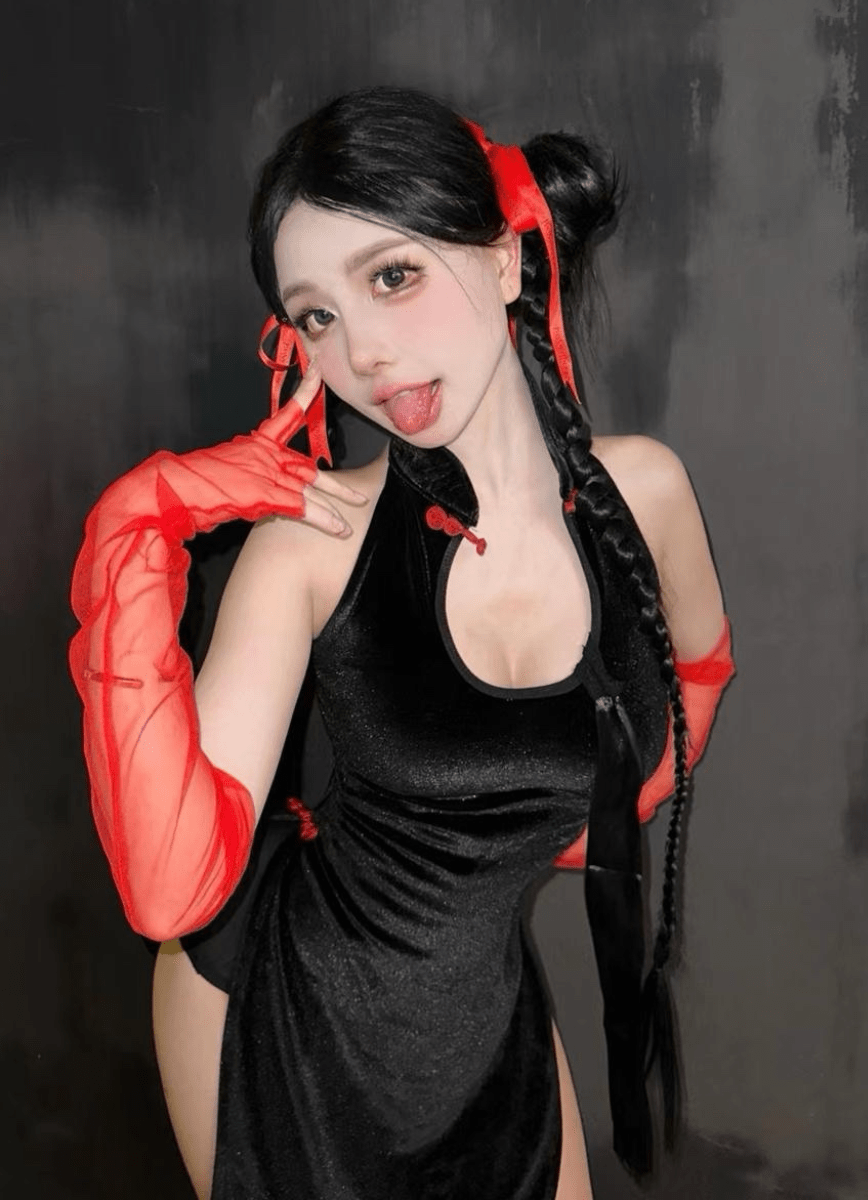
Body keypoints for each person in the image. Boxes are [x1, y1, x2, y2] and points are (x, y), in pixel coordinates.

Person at [69, 85, 735, 1200]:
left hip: (483, 1026)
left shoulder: (646, 491)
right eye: (317, 316)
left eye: (390, 277)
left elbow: (698, 676)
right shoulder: (310, 545)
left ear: (506, 260)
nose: (364, 353)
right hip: (279, 1011)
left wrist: (585, 820)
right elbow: (169, 892)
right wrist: (139, 523)